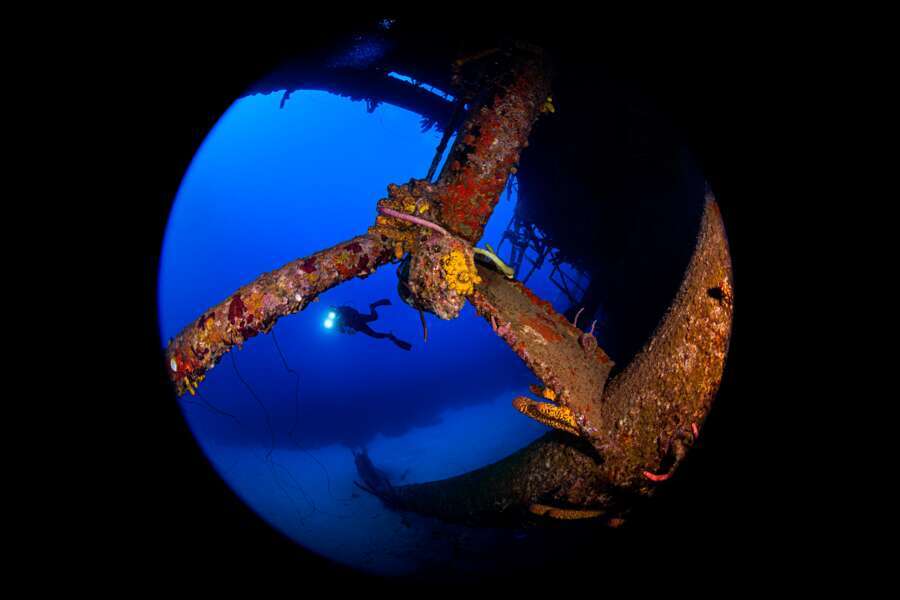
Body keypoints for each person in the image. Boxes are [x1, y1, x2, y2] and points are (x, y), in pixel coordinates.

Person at [329, 299, 412, 350]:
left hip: (359, 318)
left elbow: (353, 310)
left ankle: (372, 306)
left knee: (374, 317)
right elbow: (342, 331)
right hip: (357, 327)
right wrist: (344, 330)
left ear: (334, 309)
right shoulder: (336, 322)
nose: (333, 314)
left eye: (333, 311)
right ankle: (389, 336)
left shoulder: (342, 309)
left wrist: (354, 317)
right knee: (374, 335)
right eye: (332, 313)